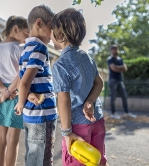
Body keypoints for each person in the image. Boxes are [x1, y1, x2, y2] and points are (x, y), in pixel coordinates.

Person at [51, 8, 108, 166]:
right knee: (98, 160)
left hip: (77, 126)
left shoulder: (60, 64)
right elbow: (99, 83)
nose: (50, 35)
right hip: (97, 120)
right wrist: (90, 101)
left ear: (60, 35)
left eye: (52, 31)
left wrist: (67, 133)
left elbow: (63, 100)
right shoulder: (86, 57)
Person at [0, 15, 37, 166]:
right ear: (15, 29)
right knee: (13, 139)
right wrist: (9, 92)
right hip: (15, 93)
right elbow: (20, 74)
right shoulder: (21, 48)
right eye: (26, 34)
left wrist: (3, 91)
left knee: (1, 138)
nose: (26, 39)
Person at [14, 5, 57, 166]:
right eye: (51, 29)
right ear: (39, 23)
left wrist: (26, 96)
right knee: (42, 160)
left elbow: (22, 81)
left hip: (30, 115)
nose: (52, 36)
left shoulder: (25, 49)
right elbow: (24, 82)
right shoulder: (40, 48)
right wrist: (20, 102)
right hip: (42, 114)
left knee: (32, 157)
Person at [107, 45, 137, 119]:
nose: (115, 51)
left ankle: (126, 112)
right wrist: (121, 68)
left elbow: (125, 68)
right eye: (113, 49)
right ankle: (113, 113)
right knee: (113, 98)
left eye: (116, 49)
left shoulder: (120, 59)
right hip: (113, 80)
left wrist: (118, 68)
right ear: (111, 50)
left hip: (120, 80)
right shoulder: (110, 59)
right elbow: (113, 68)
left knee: (124, 97)